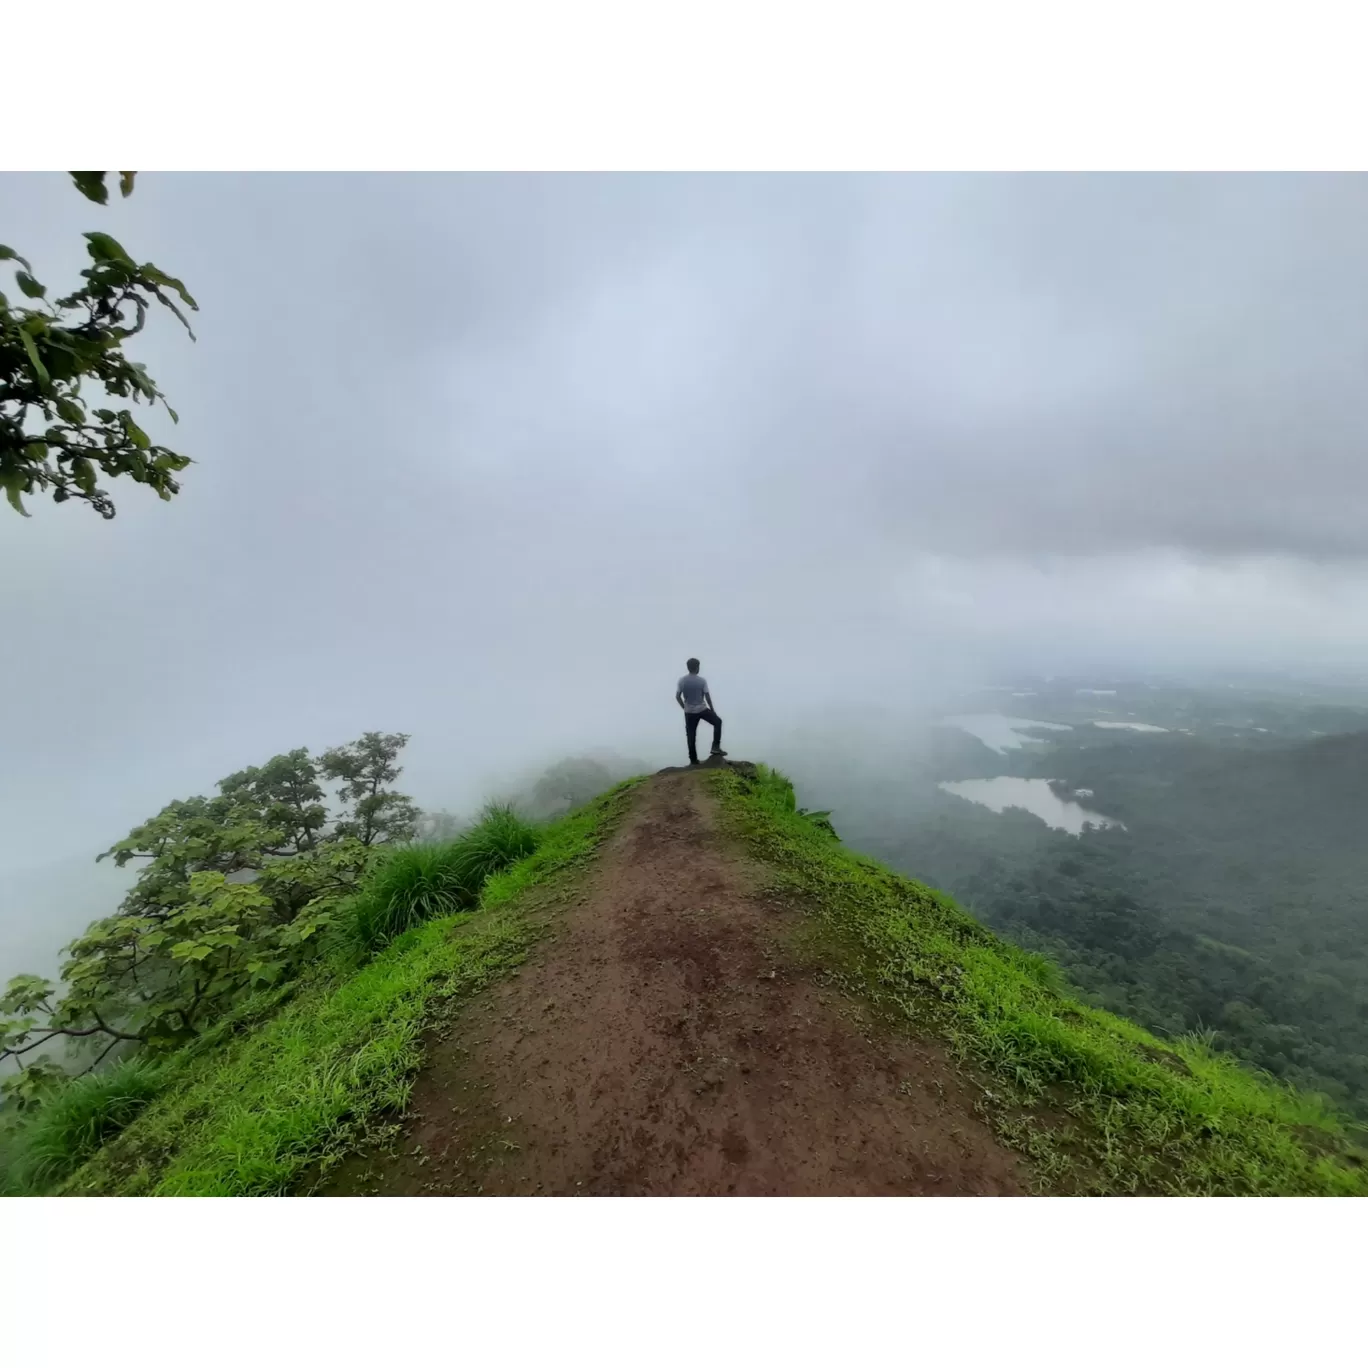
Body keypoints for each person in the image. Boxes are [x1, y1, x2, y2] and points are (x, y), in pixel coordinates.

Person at [675, 658, 726, 765]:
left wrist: (684, 707)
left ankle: (693, 760)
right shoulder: (701, 681)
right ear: (697, 667)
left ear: (688, 667)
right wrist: (712, 710)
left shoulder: (682, 680)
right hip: (702, 709)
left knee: (691, 735)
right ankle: (715, 747)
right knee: (718, 722)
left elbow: (677, 696)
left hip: (689, 711)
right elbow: (707, 697)